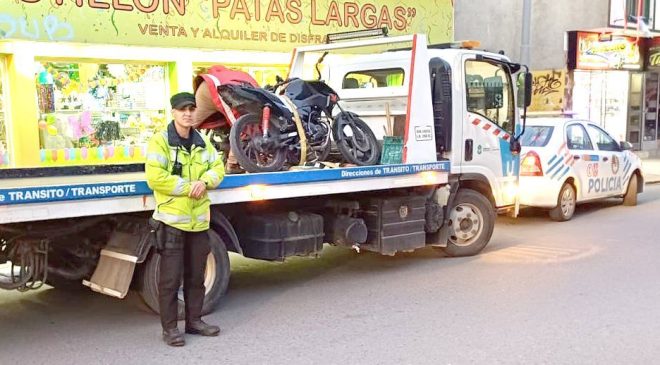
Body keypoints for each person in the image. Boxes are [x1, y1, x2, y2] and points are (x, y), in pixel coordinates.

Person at [145, 92, 225, 347]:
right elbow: (155, 177)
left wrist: (205, 182)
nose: (188, 113)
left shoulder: (202, 141)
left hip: (198, 223)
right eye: (182, 109)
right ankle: (170, 329)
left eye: (192, 108)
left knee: (195, 277)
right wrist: (187, 186)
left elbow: (218, 167)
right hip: (172, 223)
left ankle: (194, 322)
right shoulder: (160, 142)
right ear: (173, 113)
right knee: (169, 280)